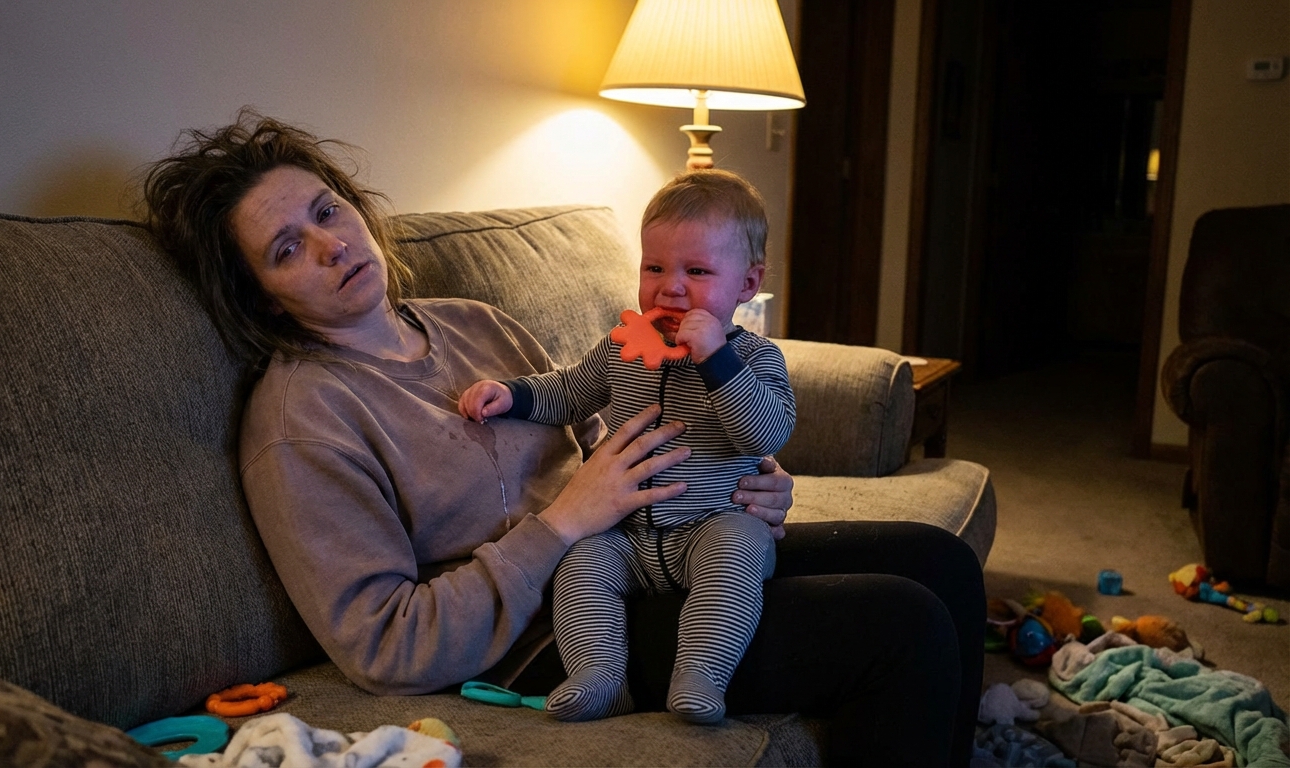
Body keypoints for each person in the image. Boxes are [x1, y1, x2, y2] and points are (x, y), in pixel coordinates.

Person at [142, 109, 984, 766]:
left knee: (934, 560)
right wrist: (566, 524)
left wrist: (753, 476)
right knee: (897, 625)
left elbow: (605, 416)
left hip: (659, 537)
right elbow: (383, 645)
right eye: (288, 248)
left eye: (329, 211)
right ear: (261, 296)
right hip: (550, 628)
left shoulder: (470, 323)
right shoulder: (301, 423)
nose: (331, 246)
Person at [457, 170, 795, 724]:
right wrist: (511, 395)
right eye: (654, 267)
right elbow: (566, 393)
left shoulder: (754, 360)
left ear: (747, 284)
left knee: (740, 549)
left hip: (712, 525)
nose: (671, 286)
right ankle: (600, 676)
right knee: (580, 562)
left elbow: (766, 434)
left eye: (698, 271)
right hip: (626, 534)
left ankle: (701, 675)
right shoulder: (621, 350)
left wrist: (716, 360)